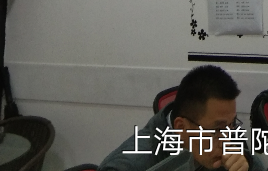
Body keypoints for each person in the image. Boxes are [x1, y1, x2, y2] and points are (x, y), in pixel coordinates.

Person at [99, 65, 259, 171]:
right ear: (181, 127)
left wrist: (247, 164)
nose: (228, 140)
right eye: (217, 130)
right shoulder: (130, 165)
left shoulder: (223, 131)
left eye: (232, 125)